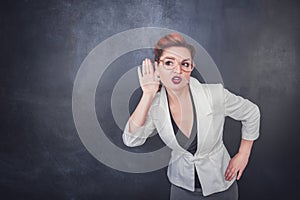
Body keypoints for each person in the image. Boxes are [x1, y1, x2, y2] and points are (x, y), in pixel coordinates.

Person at [122, 33, 260, 200]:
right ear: (157, 67)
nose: (177, 70)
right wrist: (148, 95)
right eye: (168, 63)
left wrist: (243, 154)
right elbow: (131, 140)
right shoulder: (154, 106)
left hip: (222, 184)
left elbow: (251, 112)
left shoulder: (214, 94)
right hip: (181, 188)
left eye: (184, 64)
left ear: (191, 68)